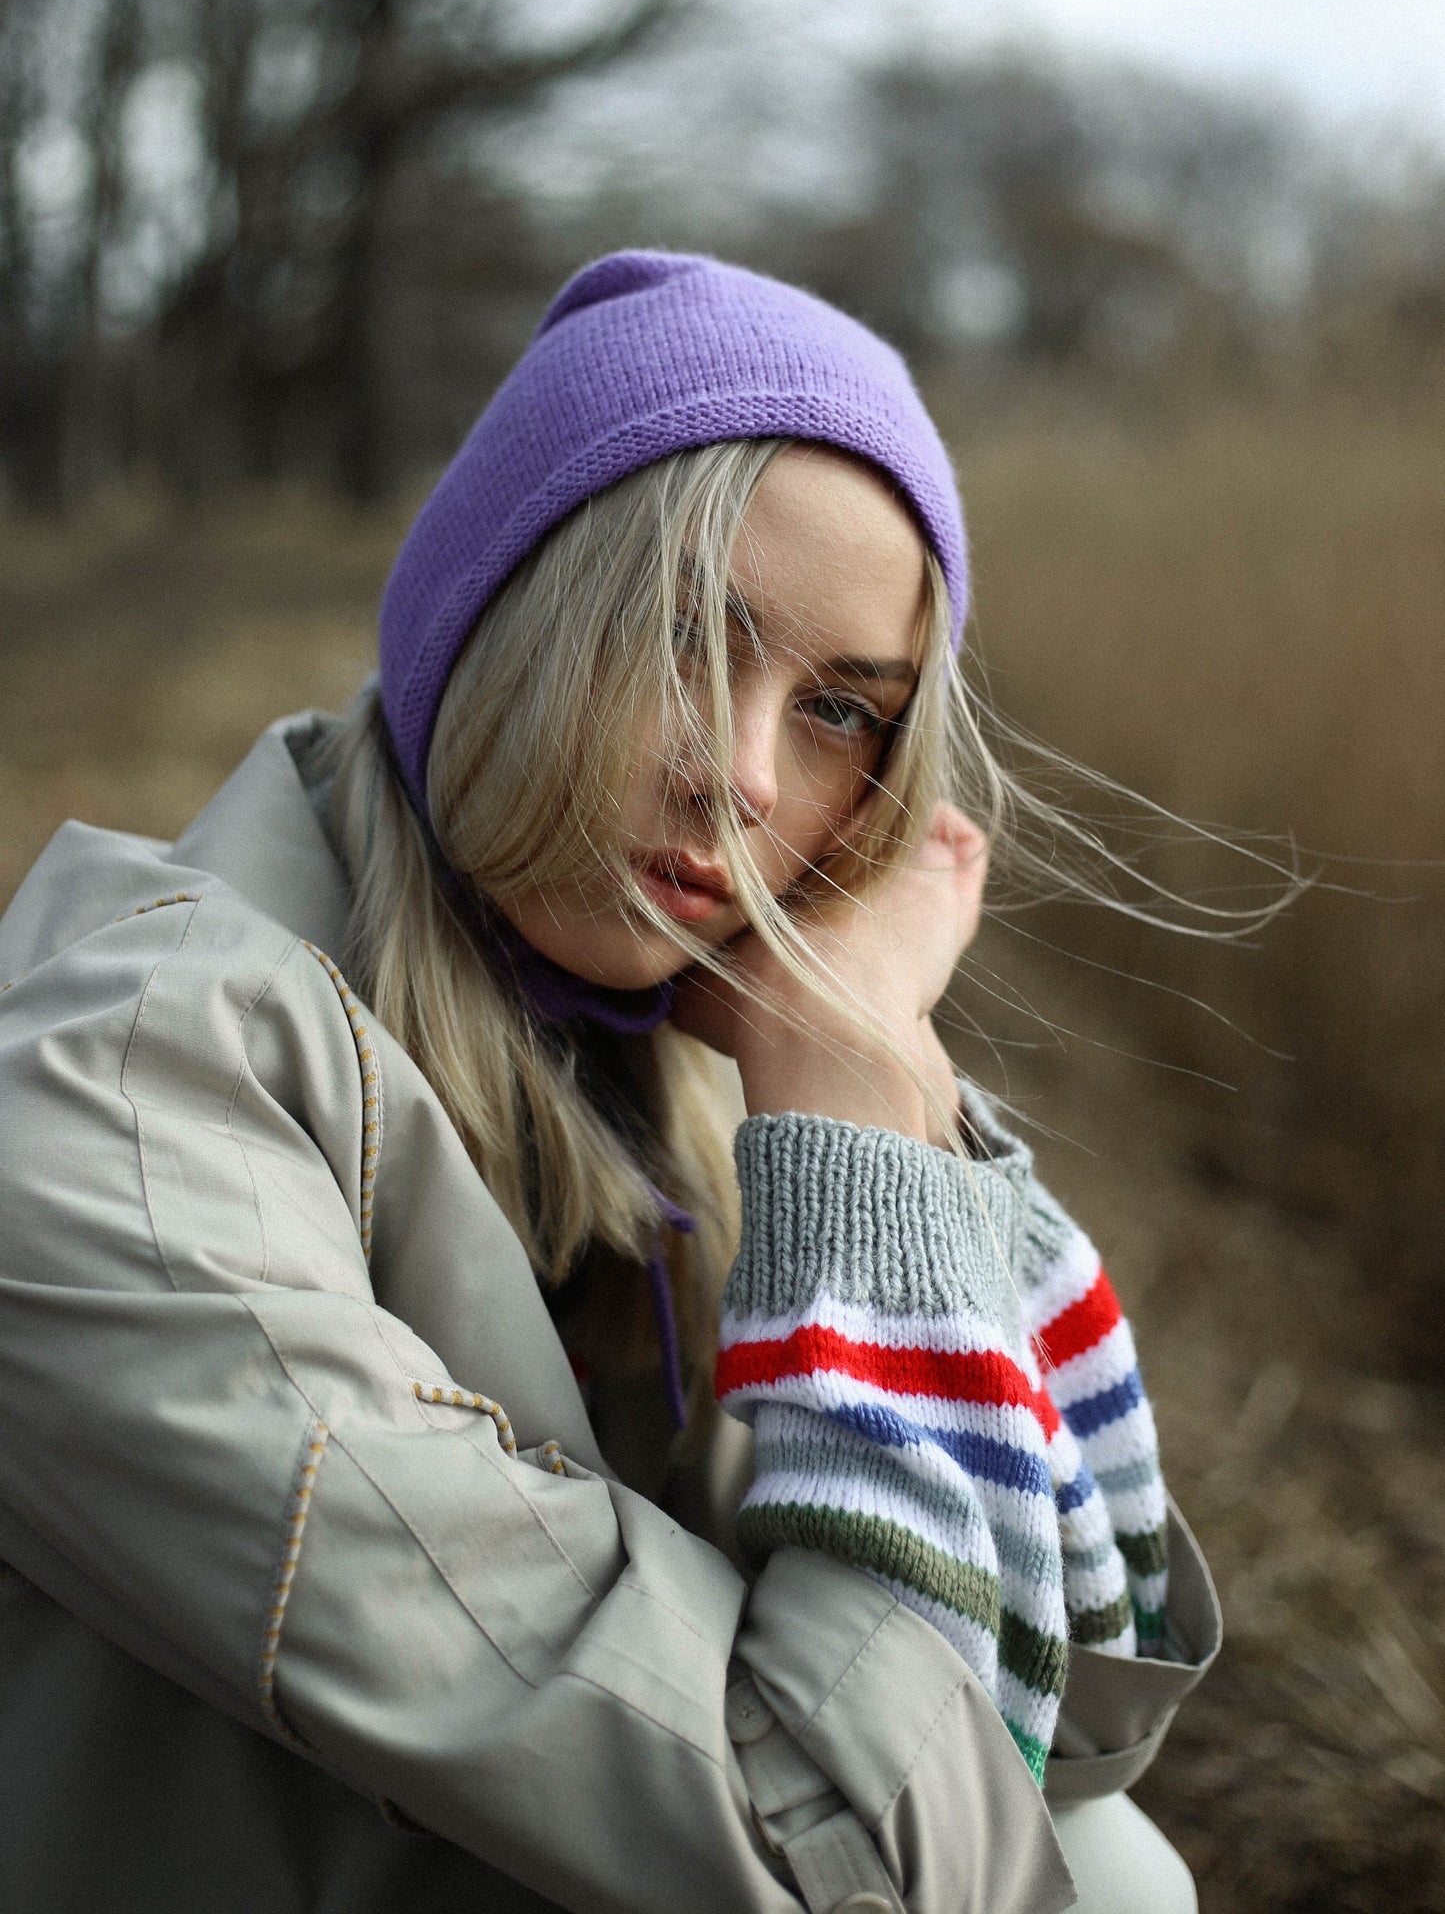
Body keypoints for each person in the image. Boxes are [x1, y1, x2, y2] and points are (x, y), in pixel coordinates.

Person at [0, 250, 1219, 1914]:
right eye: (670, 637)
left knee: (1112, 1874)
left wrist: (889, 1130)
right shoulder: (121, 1096)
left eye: (841, 708)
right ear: (496, 606)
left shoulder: (672, 1057)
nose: (741, 770)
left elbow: (1036, 1743)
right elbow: (844, 1857)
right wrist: (866, 1159)